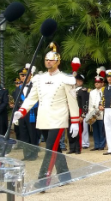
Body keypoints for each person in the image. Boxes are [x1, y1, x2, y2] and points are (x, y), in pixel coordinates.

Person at [12, 44, 81, 182]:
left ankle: (43, 179)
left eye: (52, 59)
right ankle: (65, 176)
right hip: (43, 118)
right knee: (55, 149)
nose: (48, 62)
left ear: (58, 61)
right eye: (46, 59)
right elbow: (32, 98)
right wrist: (21, 111)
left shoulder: (65, 78)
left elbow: (72, 101)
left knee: (50, 148)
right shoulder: (39, 78)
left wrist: (74, 121)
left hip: (59, 117)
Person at [12, 65, 39, 159]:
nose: (24, 77)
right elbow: (16, 103)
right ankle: (26, 154)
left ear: (30, 75)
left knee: (33, 134)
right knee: (23, 134)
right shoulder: (17, 89)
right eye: (22, 75)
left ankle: (34, 154)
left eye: (26, 75)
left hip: (32, 113)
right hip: (21, 114)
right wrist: (15, 117)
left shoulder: (35, 86)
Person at [69, 74, 89, 154]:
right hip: (72, 111)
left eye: (80, 81)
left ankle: (78, 148)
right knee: (70, 130)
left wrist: (83, 115)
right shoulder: (72, 90)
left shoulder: (83, 91)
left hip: (79, 111)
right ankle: (72, 148)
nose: (78, 82)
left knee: (78, 130)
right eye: (77, 80)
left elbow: (85, 103)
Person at [86, 76, 106, 150]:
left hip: (101, 112)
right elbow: (90, 103)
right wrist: (90, 113)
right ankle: (96, 145)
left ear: (102, 83)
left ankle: (102, 145)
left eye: (99, 82)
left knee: (101, 130)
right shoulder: (92, 92)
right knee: (95, 130)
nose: (97, 84)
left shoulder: (104, 91)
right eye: (96, 82)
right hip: (93, 113)